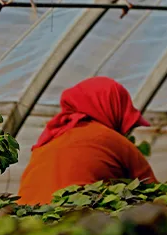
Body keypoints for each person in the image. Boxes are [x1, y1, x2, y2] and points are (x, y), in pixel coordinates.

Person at [17, 76, 158, 205]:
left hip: (24, 222)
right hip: (74, 221)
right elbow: (155, 195)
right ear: (114, 109)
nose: (126, 131)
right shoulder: (111, 139)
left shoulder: (50, 139)